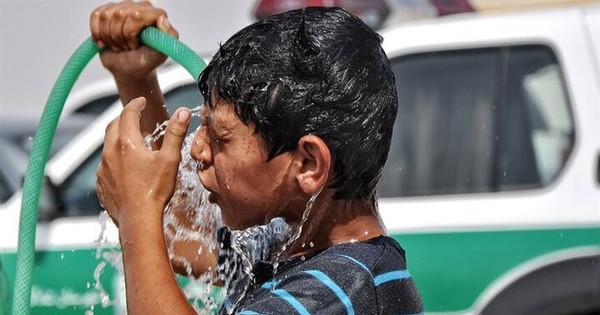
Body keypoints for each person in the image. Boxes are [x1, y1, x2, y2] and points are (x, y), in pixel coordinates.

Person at [93, 1, 423, 314]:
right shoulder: (291, 242)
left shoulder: (340, 291)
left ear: (308, 164)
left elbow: (160, 230)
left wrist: (137, 209)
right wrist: (136, 80)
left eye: (220, 137)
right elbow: (181, 237)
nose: (196, 150)